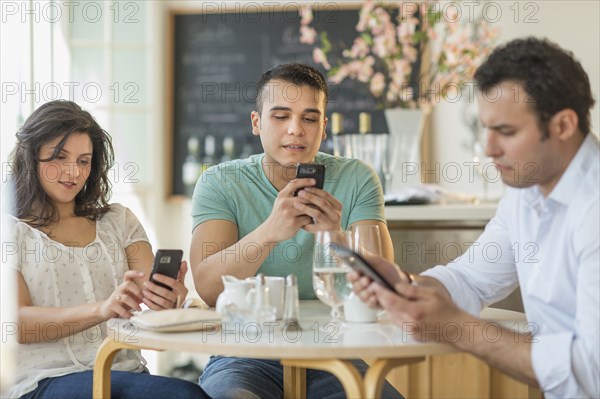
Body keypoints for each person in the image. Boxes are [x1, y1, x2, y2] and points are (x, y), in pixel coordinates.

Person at [349, 37, 599, 399]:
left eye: (507, 132)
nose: (489, 149)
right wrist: (404, 284)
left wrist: (458, 327)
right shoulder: (525, 192)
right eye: (486, 128)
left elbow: (590, 371)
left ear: (562, 125)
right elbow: (470, 279)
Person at [190, 63, 400, 398]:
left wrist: (335, 237)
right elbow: (210, 289)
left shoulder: (357, 178)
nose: (295, 129)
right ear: (257, 123)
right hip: (245, 353)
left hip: (334, 352)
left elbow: (382, 290)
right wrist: (271, 231)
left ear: (324, 127)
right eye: (281, 116)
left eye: (309, 118)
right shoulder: (220, 182)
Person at [4, 100, 210, 399]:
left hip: (124, 371)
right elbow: (17, 324)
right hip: (43, 381)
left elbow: (147, 291)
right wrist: (101, 309)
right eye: (59, 157)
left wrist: (167, 296)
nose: (72, 171)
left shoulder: (118, 220)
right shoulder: (9, 230)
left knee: (189, 393)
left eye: (84, 161)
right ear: (31, 157)